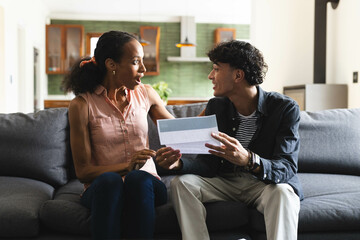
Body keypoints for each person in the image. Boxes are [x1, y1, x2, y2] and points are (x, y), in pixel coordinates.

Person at [156, 40, 303, 240]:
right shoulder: (216, 106)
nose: (210, 75)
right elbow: (207, 165)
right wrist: (179, 163)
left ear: (238, 75)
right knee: (182, 184)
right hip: (224, 182)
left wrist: (249, 159)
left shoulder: (284, 108)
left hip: (263, 184)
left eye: (216, 69)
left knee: (283, 193)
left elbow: (286, 167)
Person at [63, 31, 178, 240]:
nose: (143, 69)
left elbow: (179, 132)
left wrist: (216, 107)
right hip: (103, 188)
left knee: (138, 179)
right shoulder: (82, 105)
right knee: (110, 181)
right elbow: (83, 172)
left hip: (146, 184)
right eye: (136, 62)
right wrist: (126, 166)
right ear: (111, 64)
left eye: (143, 61)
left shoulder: (146, 93)